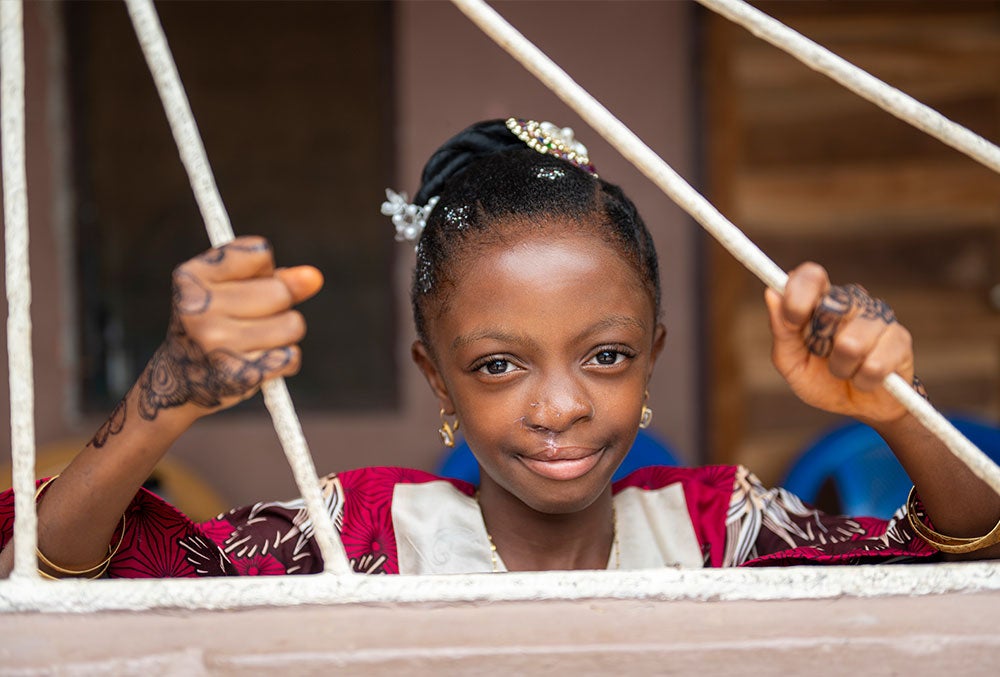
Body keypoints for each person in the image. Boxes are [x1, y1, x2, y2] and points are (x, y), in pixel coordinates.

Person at [2, 117, 999, 578]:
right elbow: (53, 574)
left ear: (652, 354)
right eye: (496, 364)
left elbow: (956, 560)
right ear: (433, 375)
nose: (558, 405)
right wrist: (168, 394)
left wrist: (890, 411)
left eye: (604, 355)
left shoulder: (718, 529)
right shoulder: (364, 537)